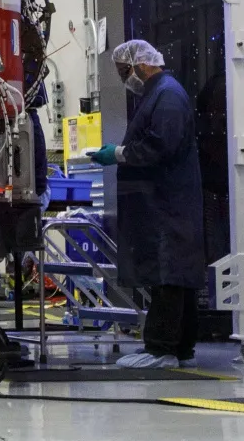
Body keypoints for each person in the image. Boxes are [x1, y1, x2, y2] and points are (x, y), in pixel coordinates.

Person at [87, 39, 204, 368]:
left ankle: (161, 348)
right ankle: (180, 347)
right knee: (175, 275)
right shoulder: (160, 93)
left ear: (141, 64)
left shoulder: (167, 95)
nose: (125, 78)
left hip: (168, 202)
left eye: (125, 71)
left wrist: (119, 153)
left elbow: (161, 145)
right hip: (167, 201)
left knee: (169, 273)